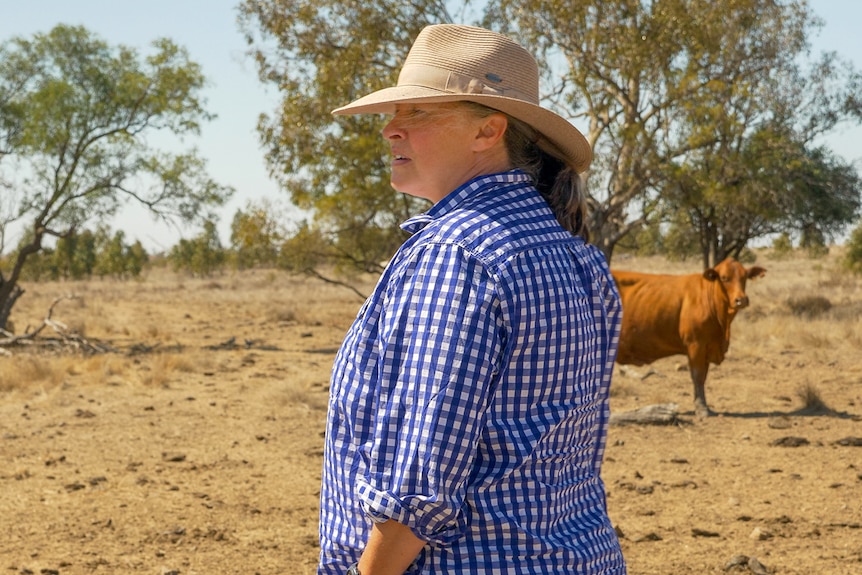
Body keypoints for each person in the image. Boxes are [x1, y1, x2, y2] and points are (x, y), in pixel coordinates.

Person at [318, 23, 626, 575]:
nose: (390, 130)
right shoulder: (578, 257)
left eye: (417, 114)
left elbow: (417, 489)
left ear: (488, 131)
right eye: (394, 115)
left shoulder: (455, 256)